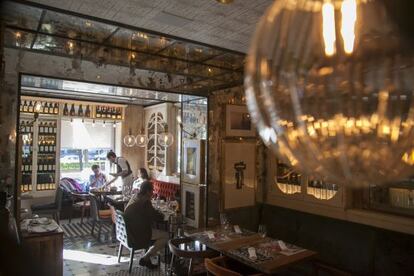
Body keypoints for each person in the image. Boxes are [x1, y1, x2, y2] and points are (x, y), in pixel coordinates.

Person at [124, 181, 168, 269]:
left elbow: (148, 214)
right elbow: (156, 217)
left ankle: (148, 259)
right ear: (148, 191)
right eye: (152, 191)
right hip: (138, 233)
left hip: (129, 230)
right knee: (166, 236)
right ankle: (146, 257)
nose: (153, 193)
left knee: (155, 229)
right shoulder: (145, 202)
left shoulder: (135, 196)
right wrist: (163, 215)